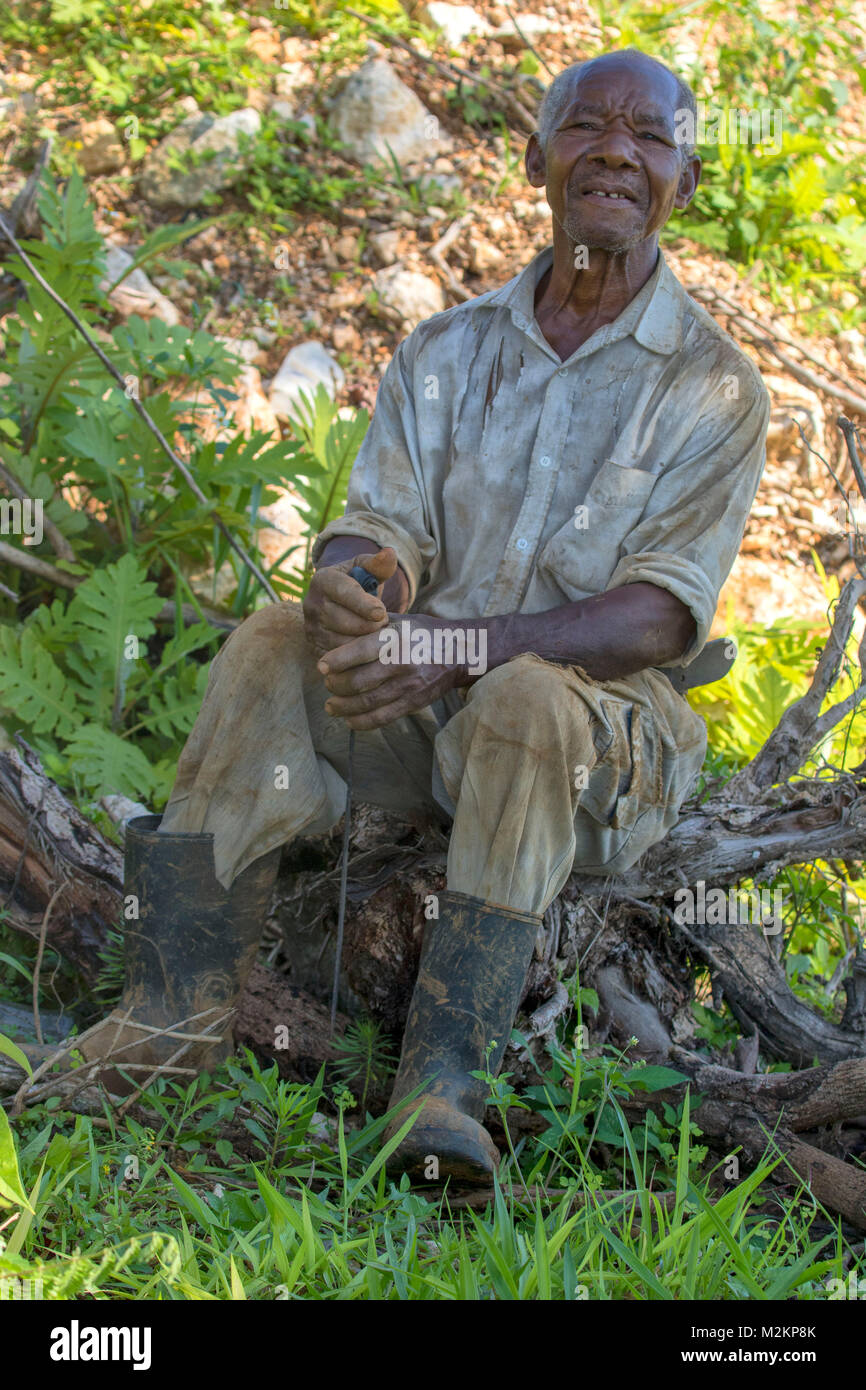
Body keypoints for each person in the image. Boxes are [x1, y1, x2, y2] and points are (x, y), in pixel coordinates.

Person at [74, 48, 769, 1184]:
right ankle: (169, 1016)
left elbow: (652, 616)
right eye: (585, 125)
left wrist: (452, 645)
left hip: (592, 750)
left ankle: (440, 1089)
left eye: (648, 136)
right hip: (431, 715)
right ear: (533, 158)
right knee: (266, 641)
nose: (614, 150)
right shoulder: (447, 352)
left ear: (682, 181)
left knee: (531, 693)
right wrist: (357, 585)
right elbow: (378, 529)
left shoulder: (711, 386)